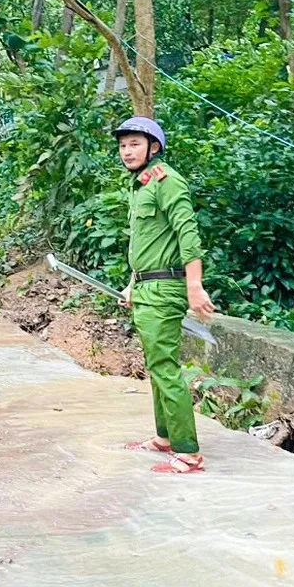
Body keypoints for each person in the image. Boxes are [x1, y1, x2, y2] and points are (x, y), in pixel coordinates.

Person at [114, 117, 216, 475]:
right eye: (124, 145)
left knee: (166, 368)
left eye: (134, 144)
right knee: (156, 366)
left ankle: (188, 452)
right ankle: (165, 437)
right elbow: (146, 242)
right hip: (147, 285)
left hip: (165, 288)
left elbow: (187, 233)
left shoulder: (166, 181)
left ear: (153, 147)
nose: (127, 151)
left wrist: (194, 286)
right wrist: (132, 283)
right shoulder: (140, 185)